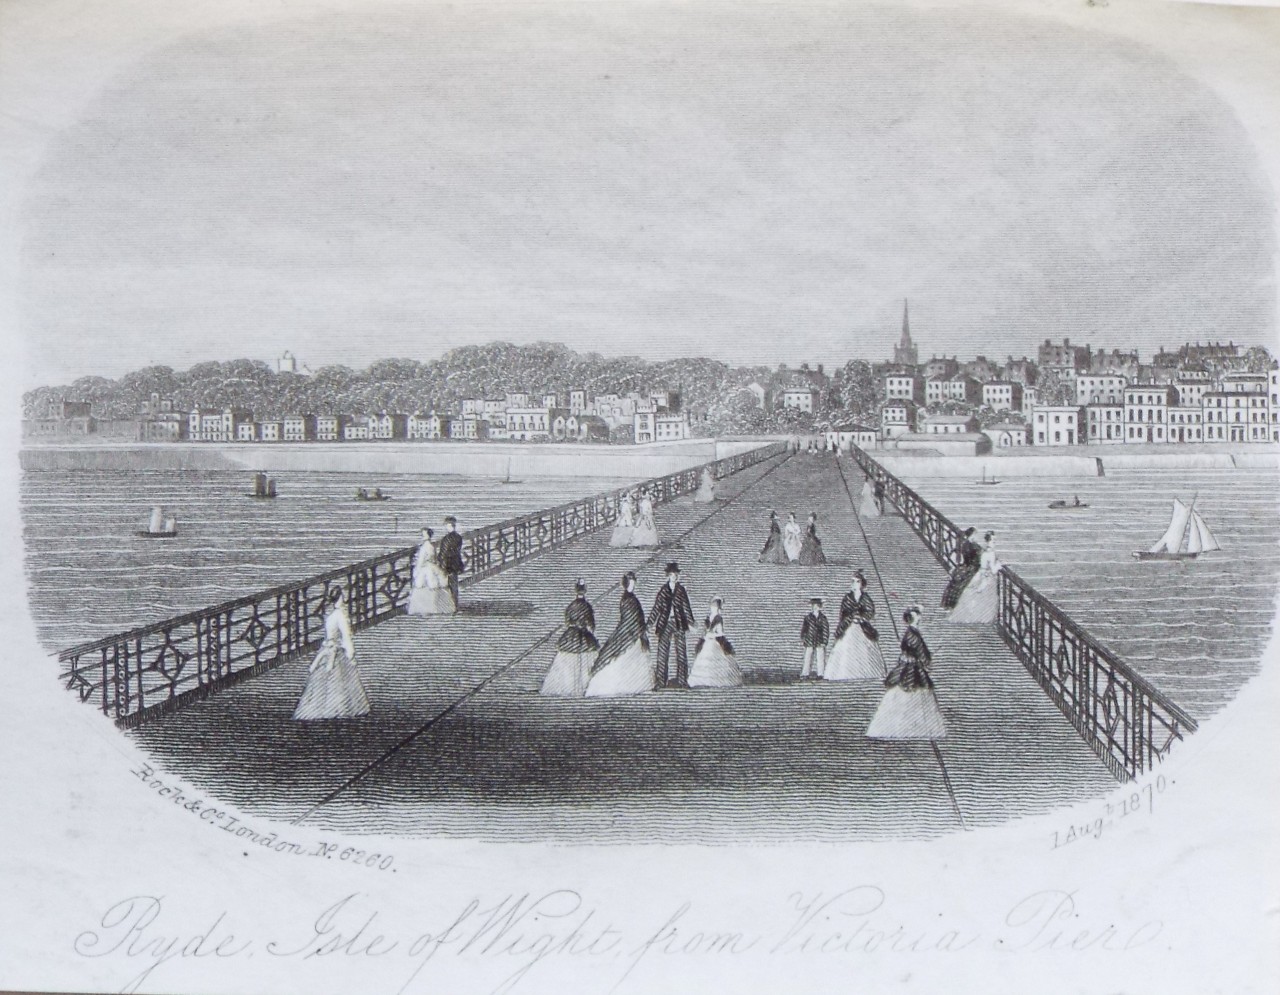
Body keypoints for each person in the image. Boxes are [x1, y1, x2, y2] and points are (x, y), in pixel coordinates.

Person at [867, 606, 946, 740]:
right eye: (917, 615)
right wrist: (927, 661)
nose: (920, 617)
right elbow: (920, 651)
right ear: (913, 618)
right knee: (911, 690)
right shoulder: (912, 634)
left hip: (910, 665)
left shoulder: (912, 632)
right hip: (911, 668)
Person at [293, 586, 370, 721]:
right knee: (341, 681)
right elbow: (346, 636)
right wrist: (351, 654)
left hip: (327, 650)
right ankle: (340, 708)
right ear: (341, 597)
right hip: (337, 652)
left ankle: (321, 708)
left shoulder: (330, 616)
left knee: (323, 682)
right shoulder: (341, 615)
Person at [585, 573, 655, 697]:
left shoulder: (632, 598)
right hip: (629, 632)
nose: (633, 585)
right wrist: (639, 628)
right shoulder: (627, 599)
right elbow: (629, 618)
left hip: (635, 631)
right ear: (627, 584)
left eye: (634, 583)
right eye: (631, 583)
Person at [824, 571, 886, 681]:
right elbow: (843, 614)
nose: (855, 584)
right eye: (853, 581)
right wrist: (851, 617)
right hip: (849, 627)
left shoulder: (866, 598)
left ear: (862, 584)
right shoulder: (847, 598)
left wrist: (862, 618)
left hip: (863, 628)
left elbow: (870, 612)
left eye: (857, 582)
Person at [540, 579, 598, 696]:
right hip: (584, 637)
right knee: (585, 662)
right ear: (584, 591)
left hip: (571, 636)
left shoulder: (571, 606)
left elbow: (567, 622)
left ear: (576, 591)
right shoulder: (587, 607)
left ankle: (567, 687)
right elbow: (591, 625)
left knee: (568, 662)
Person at [651, 562, 695, 688]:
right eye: (671, 575)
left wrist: (691, 622)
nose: (674, 577)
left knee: (681, 653)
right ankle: (660, 682)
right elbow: (656, 608)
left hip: (679, 623)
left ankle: (682, 681)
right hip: (664, 624)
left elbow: (686, 607)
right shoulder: (663, 590)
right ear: (668, 576)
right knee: (662, 653)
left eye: (676, 574)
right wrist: (650, 622)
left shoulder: (681, 590)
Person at [948, 531, 1001, 624]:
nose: (994, 543)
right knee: (987, 597)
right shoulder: (990, 553)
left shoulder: (983, 551)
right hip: (987, 577)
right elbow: (993, 570)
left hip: (981, 574)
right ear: (989, 542)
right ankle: (985, 618)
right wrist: (999, 565)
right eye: (993, 541)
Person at [689, 597, 743, 688]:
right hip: (708, 642)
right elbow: (705, 631)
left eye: (715, 606)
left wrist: (712, 635)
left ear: (718, 607)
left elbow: (720, 633)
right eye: (712, 606)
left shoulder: (718, 618)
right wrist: (706, 635)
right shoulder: (708, 617)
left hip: (715, 642)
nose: (713, 608)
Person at [407, 527, 456, 615]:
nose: (422, 536)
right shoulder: (432, 546)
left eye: (424, 535)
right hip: (433, 567)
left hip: (426, 568)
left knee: (424, 586)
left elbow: (421, 561)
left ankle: (426, 609)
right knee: (435, 586)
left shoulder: (424, 547)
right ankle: (437, 607)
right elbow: (435, 559)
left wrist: (416, 570)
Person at [940, 527, 982, 609]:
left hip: (965, 566)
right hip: (972, 567)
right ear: (973, 535)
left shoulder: (964, 544)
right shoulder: (974, 546)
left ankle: (949, 604)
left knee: (956, 584)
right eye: (976, 535)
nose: (977, 537)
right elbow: (976, 560)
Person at [436, 516, 466, 609]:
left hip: (447, 565)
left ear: (450, 525)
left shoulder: (446, 539)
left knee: (448, 586)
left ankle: (450, 606)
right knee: (453, 586)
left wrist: (441, 564)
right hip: (455, 564)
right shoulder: (458, 537)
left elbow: (444, 554)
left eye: (447, 525)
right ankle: (454, 605)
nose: (446, 527)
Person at [799, 597, 829, 680]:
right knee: (808, 657)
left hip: (820, 640)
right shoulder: (807, 618)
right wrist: (804, 638)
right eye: (813, 606)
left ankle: (821, 674)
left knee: (820, 657)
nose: (815, 607)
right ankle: (805, 674)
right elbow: (804, 629)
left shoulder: (823, 618)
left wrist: (825, 641)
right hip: (809, 640)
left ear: (820, 607)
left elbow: (826, 630)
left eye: (817, 606)